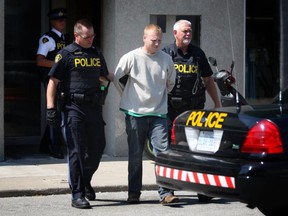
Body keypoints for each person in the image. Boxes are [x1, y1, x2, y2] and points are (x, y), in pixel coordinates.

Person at [46, 19, 113, 209]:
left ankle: (84, 180)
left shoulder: (96, 53)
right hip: (73, 108)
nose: (91, 39)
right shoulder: (66, 54)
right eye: (87, 36)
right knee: (76, 150)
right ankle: (77, 194)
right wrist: (50, 108)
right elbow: (53, 82)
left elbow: (103, 76)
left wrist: (107, 81)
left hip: (94, 108)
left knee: (98, 147)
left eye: (93, 35)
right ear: (77, 36)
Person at [114, 24, 178, 205]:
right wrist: (127, 96)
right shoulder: (131, 57)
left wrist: (159, 96)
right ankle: (134, 193)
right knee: (135, 155)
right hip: (135, 114)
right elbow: (117, 78)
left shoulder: (166, 59)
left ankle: (166, 193)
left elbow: (171, 82)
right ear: (144, 38)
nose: (157, 43)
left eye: (159, 40)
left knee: (163, 153)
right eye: (153, 40)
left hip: (159, 114)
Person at [162, 19, 221, 123]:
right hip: (170, 108)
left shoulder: (198, 53)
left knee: (193, 138)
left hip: (194, 108)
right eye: (185, 31)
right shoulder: (166, 53)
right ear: (175, 33)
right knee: (170, 138)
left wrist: (217, 103)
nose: (188, 34)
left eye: (190, 31)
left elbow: (208, 79)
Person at [36, 8, 70, 159]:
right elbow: (40, 61)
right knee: (54, 112)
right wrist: (59, 65)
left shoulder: (66, 38)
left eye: (63, 20)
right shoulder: (47, 39)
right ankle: (54, 148)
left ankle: (45, 145)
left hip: (63, 80)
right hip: (51, 80)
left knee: (58, 112)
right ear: (52, 21)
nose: (62, 22)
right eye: (58, 20)